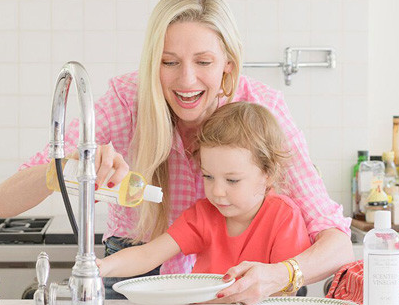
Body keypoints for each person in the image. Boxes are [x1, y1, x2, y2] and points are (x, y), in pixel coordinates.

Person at [0, 0, 354, 305]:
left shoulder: (262, 110)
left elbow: (338, 243)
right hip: (136, 265)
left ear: (228, 62)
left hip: (242, 275)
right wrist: (70, 166)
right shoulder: (124, 102)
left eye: (204, 62)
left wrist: (281, 275)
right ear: (152, 61)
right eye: (169, 62)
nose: (186, 80)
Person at [98, 102, 311, 289]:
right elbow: (148, 254)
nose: (217, 191)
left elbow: (288, 289)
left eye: (232, 180)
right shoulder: (203, 215)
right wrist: (102, 267)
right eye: (208, 177)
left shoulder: (283, 216)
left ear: (268, 174)